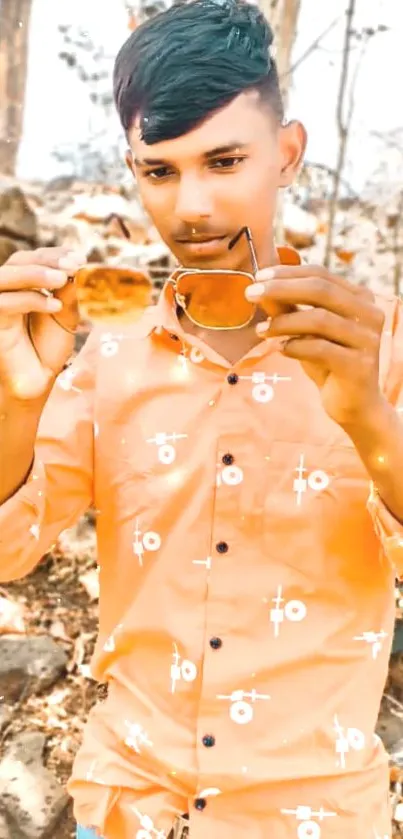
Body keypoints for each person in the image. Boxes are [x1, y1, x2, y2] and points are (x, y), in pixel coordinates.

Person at [0, 1, 402, 837]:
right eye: (160, 171)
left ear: (286, 154)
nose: (191, 207)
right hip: (126, 805)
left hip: (313, 813)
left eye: (225, 160)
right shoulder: (103, 359)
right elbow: (10, 550)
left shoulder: (382, 345)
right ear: (133, 172)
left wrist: (370, 421)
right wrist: (14, 400)